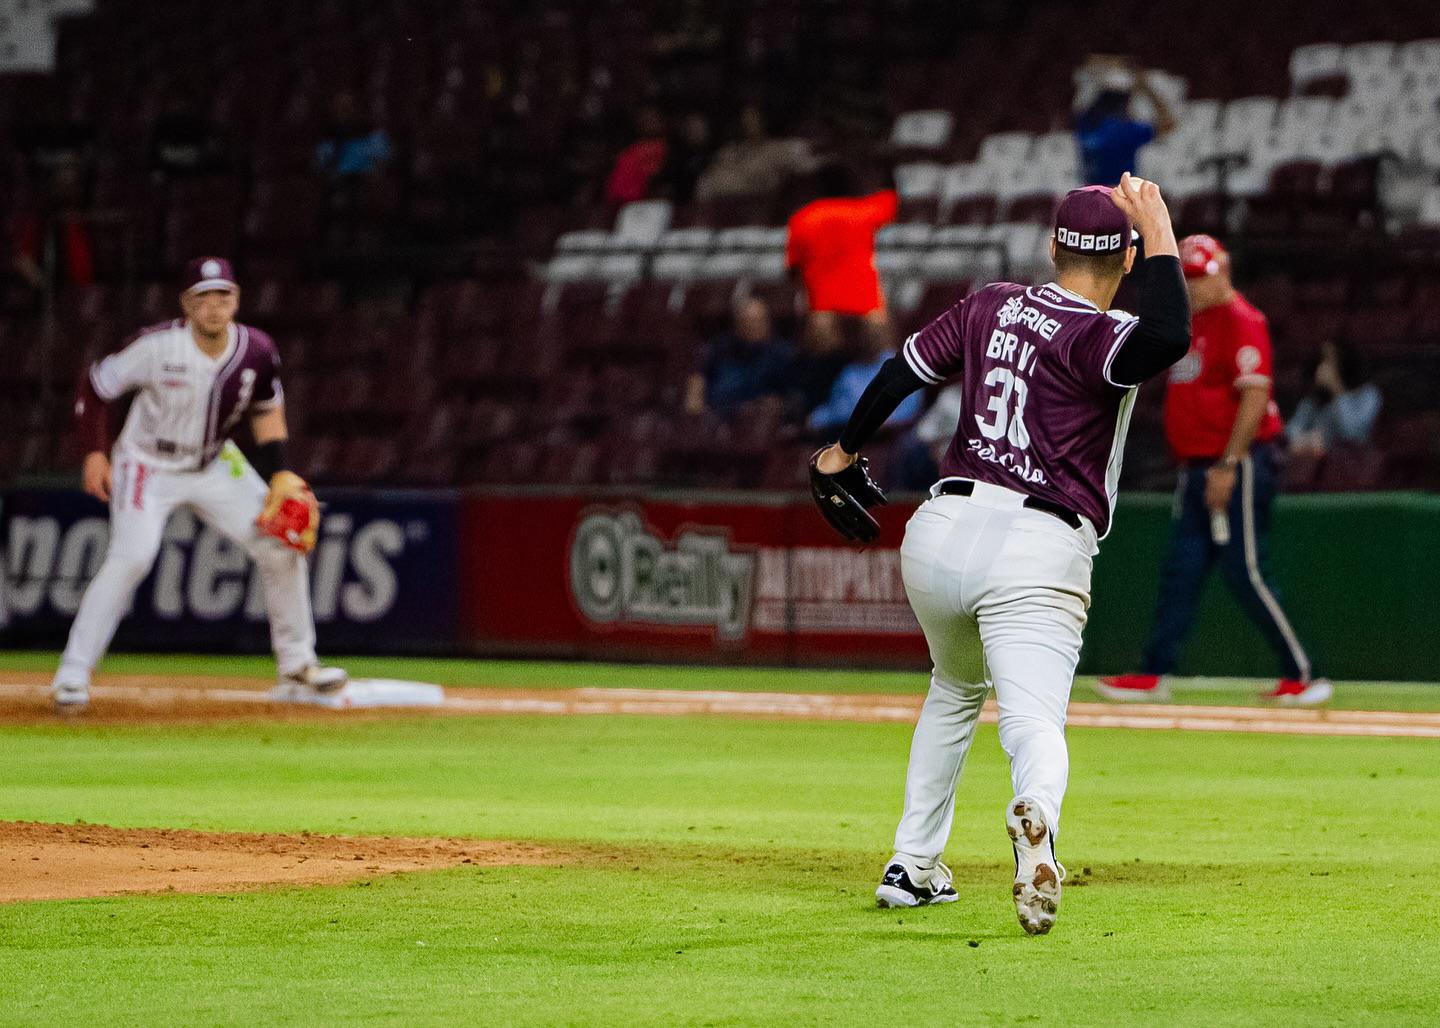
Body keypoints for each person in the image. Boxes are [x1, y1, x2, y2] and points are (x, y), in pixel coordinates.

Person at [811, 175, 1190, 934]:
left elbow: (902, 373)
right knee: (1033, 718)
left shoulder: (989, 304)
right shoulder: (1103, 335)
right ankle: (1036, 817)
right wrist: (1163, 237)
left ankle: (913, 865)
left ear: (1051, 247)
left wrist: (842, 451)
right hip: (1040, 545)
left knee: (952, 690)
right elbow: (1169, 336)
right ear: (1122, 260)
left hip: (942, 527)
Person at [50, 257, 347, 713]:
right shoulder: (156, 346)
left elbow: (266, 412)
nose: (214, 307)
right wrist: (94, 452)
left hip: (212, 462)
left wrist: (279, 473)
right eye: (203, 298)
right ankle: (74, 671)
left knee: (282, 545)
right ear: (186, 304)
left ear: (237, 300)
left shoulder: (257, 350)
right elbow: (94, 387)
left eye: (223, 296)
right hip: (148, 464)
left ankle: (297, 668)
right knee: (132, 556)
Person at [1098, 234, 1331, 707]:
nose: (1193, 287)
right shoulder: (1193, 323)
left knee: (1246, 571)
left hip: (1238, 462)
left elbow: (1255, 395)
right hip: (1197, 466)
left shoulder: (1243, 320)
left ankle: (1304, 674)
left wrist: (1228, 464)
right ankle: (1154, 671)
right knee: (1180, 572)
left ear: (1221, 272)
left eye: (1199, 277)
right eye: (1186, 278)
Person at [786, 162, 897, 357]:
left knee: (821, 346)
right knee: (879, 335)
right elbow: (892, 200)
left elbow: (793, 270)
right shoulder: (863, 212)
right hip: (864, 300)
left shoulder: (802, 218)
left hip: (822, 305)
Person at [1073, 55, 1176, 187]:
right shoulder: (1126, 130)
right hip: (1118, 195)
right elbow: (1169, 124)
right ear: (1124, 103)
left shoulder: (1085, 123)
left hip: (1089, 194)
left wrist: (1112, 65)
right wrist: (1146, 88)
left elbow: (1087, 63)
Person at [685, 296, 793, 418]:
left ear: (767, 323)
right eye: (745, 321)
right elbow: (698, 377)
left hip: (753, 418)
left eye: (756, 321)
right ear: (737, 323)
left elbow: (785, 395)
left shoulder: (781, 353)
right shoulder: (721, 347)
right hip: (714, 415)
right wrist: (694, 402)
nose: (751, 326)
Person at [806, 323, 921, 435]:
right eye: (864, 335)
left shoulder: (900, 366)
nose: (869, 340)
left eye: (874, 335)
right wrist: (814, 419)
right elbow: (832, 411)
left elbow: (910, 411)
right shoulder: (849, 373)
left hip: (889, 439)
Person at [694, 104, 815, 202]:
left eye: (753, 117)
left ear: (764, 120)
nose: (748, 122)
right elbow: (706, 184)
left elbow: (807, 169)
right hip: (726, 214)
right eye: (745, 117)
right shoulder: (728, 152)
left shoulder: (783, 149)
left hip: (766, 214)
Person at [1288, 341, 1381, 455]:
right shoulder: (1313, 399)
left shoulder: (1368, 393)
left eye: (1329, 360)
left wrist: (1335, 387)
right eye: (1322, 360)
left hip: (1353, 460)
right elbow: (1292, 430)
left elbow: (1352, 432)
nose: (1322, 367)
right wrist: (1306, 439)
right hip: (1317, 458)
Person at [604, 105, 667, 205]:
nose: (648, 123)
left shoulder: (659, 146)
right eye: (645, 119)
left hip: (636, 204)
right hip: (615, 200)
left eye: (652, 119)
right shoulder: (634, 146)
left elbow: (653, 176)